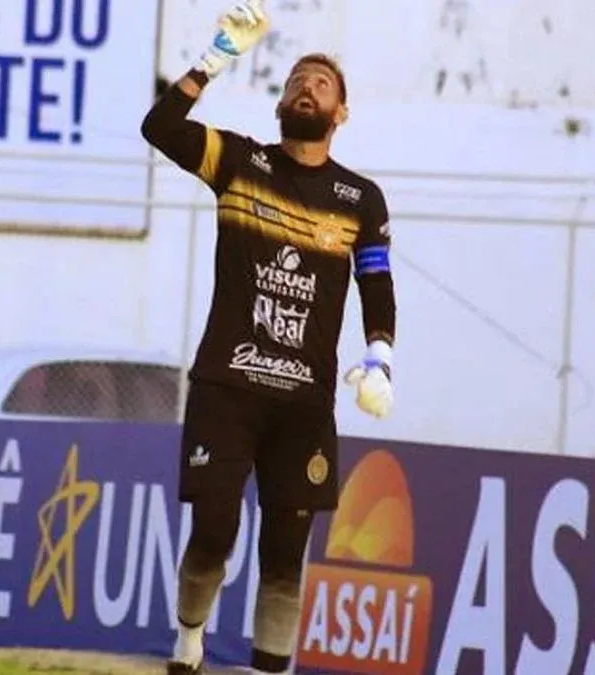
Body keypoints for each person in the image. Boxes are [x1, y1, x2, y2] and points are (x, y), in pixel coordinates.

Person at [140, 1, 396, 672]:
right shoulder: (239, 161)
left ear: (340, 113)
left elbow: (375, 279)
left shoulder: (360, 198)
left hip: (304, 401)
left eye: (322, 83)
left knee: (285, 552)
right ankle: (189, 634)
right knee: (216, 528)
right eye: (296, 79)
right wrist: (215, 58)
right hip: (227, 384)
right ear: (280, 100)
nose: (306, 86)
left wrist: (381, 356)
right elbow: (160, 126)